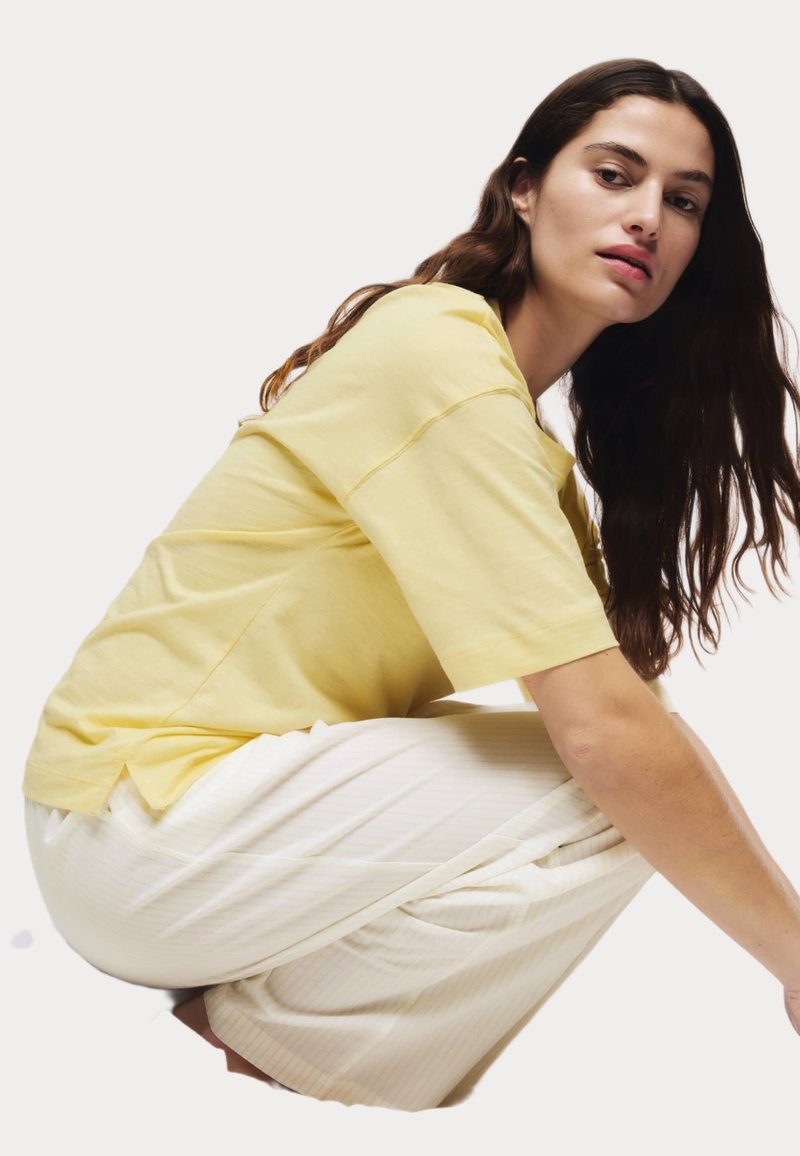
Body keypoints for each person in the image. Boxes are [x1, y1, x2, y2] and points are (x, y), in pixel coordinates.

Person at [23, 57, 800, 1111]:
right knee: (614, 779)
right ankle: (277, 1029)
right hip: (133, 821)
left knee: (639, 772)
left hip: (174, 837)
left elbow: (639, 735)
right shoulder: (436, 351)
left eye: (684, 201)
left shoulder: (520, 443)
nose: (646, 218)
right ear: (522, 188)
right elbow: (607, 743)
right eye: (614, 174)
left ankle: (277, 1026)